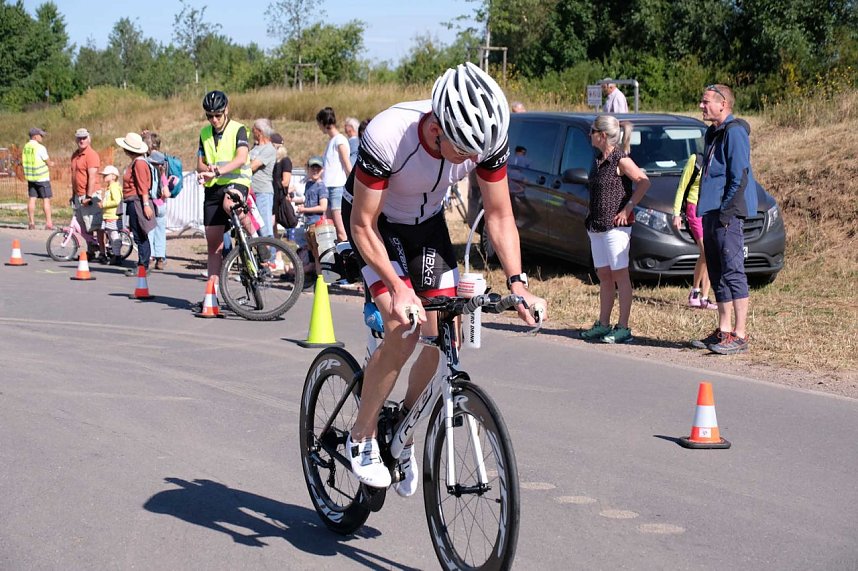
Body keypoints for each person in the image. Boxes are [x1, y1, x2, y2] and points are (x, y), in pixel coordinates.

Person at [343, 62, 547, 494]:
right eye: (465, 151)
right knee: (403, 327)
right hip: (375, 222)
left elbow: (499, 215)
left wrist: (518, 283)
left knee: (444, 336)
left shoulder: (484, 139)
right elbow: (362, 225)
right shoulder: (388, 134)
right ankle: (361, 434)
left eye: (479, 152)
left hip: (426, 224)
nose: (474, 160)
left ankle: (402, 430)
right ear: (437, 128)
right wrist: (399, 289)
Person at [693, 84, 757, 355]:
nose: (701, 106)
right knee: (717, 271)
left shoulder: (735, 132)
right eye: (702, 101)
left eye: (706, 101)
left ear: (723, 105)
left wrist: (726, 213)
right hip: (710, 211)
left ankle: (740, 334)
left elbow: (739, 176)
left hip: (726, 214)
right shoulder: (713, 132)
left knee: (733, 271)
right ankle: (724, 330)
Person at [580, 115, 650, 344]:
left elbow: (643, 181)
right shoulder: (598, 159)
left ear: (601, 135)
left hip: (615, 228)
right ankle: (603, 323)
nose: (589, 135)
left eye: (592, 131)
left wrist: (627, 208)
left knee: (620, 275)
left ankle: (623, 327)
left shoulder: (620, 158)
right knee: (604, 276)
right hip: (597, 225)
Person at [195, 90, 254, 296]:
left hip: (236, 181)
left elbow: (241, 158)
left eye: (218, 115)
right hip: (213, 186)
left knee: (230, 203)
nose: (214, 119)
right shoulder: (204, 133)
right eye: (210, 116)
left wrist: (218, 171)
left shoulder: (239, 129)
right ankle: (212, 294)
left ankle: (255, 237)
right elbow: (200, 164)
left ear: (226, 110)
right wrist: (206, 171)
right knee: (213, 243)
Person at [673, 154, 716, 310]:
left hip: (710, 209)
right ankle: (695, 291)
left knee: (710, 253)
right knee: (706, 251)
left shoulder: (719, 161)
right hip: (694, 208)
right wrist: (676, 213)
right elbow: (682, 187)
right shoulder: (696, 160)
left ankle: (704, 298)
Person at [116, 132, 155, 274]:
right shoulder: (138, 162)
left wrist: (145, 205)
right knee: (139, 233)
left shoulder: (139, 163)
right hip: (136, 201)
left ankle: (143, 265)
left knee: (139, 234)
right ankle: (142, 264)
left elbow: (142, 185)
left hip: (137, 202)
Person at [316, 107, 351, 242]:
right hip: (328, 187)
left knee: (341, 231)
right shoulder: (331, 141)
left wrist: (352, 185)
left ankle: (347, 252)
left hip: (337, 188)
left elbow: (347, 165)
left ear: (323, 123)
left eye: (319, 124)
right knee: (331, 230)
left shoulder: (339, 140)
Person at [294, 156, 329, 278]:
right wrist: (298, 203)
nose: (315, 171)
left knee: (318, 255)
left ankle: (321, 279)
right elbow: (308, 201)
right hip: (308, 224)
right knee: (313, 254)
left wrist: (304, 209)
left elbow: (323, 207)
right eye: (312, 168)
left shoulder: (321, 186)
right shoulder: (309, 184)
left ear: (322, 170)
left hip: (317, 224)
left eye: (317, 168)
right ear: (307, 169)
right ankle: (317, 278)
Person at [249, 118, 277, 250]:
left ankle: (270, 257)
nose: (252, 132)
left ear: (259, 131)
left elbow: (252, 166)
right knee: (255, 227)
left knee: (265, 228)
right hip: (252, 192)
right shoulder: (255, 148)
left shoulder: (269, 149)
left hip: (263, 192)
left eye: (253, 129)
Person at [70, 128, 100, 251]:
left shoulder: (91, 155)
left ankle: (103, 251)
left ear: (89, 139)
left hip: (89, 195)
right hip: (78, 194)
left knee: (94, 225)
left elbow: (92, 177)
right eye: (79, 138)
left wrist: (89, 196)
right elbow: (74, 176)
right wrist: (73, 195)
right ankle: (91, 250)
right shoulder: (75, 155)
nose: (81, 141)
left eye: (84, 138)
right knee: (83, 226)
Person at [22, 127, 54, 230]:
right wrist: (51, 163)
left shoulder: (26, 147)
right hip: (42, 177)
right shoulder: (40, 148)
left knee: (32, 199)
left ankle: (31, 223)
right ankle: (48, 223)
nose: (42, 137)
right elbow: (47, 161)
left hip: (31, 177)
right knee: (46, 199)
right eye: (41, 135)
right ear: (35, 137)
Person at [99, 165, 124, 265]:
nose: (104, 177)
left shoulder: (114, 187)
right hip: (108, 216)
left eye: (106, 175)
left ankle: (117, 256)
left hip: (113, 216)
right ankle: (115, 254)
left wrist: (104, 204)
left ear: (113, 176)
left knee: (114, 236)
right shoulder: (110, 187)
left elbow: (117, 201)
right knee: (110, 235)